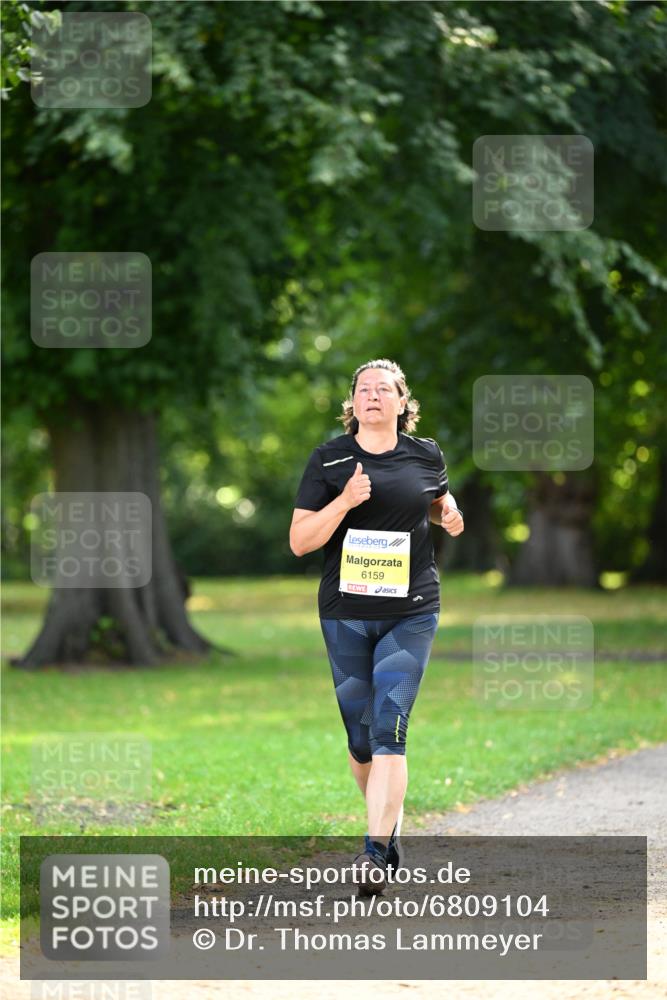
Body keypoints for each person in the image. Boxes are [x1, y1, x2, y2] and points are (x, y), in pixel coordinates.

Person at [289, 359, 464, 894]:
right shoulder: (330, 459)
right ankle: (387, 831)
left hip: (412, 609)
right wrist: (345, 500)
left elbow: (433, 499)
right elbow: (300, 541)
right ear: (353, 403)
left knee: (390, 728)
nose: (372, 395)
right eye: (363, 389)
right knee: (361, 740)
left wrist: (448, 513)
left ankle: (371, 851)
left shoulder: (425, 453)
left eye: (383, 388)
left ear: (401, 402)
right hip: (346, 613)